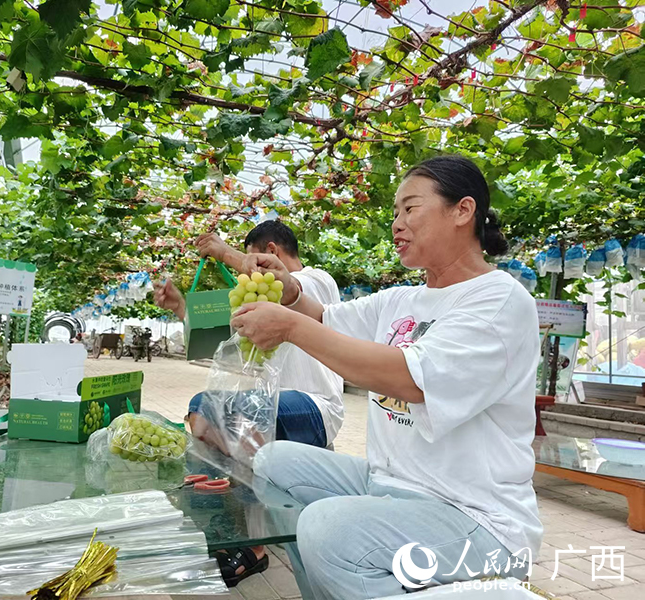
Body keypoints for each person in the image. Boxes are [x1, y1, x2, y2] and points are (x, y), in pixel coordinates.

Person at [231, 156, 542, 599]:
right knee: (272, 461)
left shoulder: (497, 300)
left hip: (474, 514)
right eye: (394, 212)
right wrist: (290, 290)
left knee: (326, 528)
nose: (397, 223)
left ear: (463, 210)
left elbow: (411, 380)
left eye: (410, 208)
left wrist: (290, 327)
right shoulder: (402, 299)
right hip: (390, 483)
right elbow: (324, 318)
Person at [154, 220, 345, 586]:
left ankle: (248, 544)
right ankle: (236, 530)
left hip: (315, 408)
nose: (252, 268)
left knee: (212, 410)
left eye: (255, 259)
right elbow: (225, 341)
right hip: (267, 406)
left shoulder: (318, 281)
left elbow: (289, 287)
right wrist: (181, 307)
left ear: (271, 252)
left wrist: (224, 252)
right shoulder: (264, 303)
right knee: (213, 421)